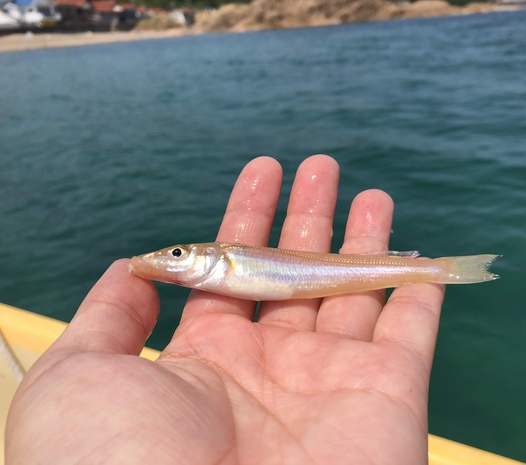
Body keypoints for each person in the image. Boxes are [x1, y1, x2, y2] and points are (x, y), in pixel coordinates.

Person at [6, 155, 445, 465]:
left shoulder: (226, 261)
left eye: (177, 253)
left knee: (412, 273)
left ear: (210, 256)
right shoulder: (213, 270)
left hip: (353, 273)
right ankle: (433, 270)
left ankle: (434, 270)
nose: (170, 258)